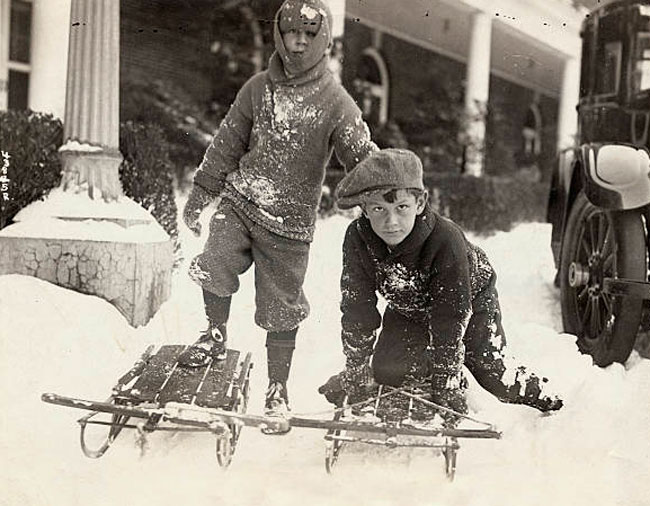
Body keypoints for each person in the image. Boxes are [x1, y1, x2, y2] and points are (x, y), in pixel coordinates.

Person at [179, 0, 377, 427]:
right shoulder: (257, 88)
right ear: (279, 36)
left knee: (281, 306)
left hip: (290, 223)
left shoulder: (335, 101)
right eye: (291, 34)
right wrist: (201, 194)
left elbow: (361, 159)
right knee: (215, 258)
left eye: (308, 35)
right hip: (241, 201)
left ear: (322, 39)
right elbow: (227, 144)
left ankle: (277, 388)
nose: (299, 43)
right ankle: (214, 335)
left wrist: (386, 192)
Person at [318, 148, 563, 426]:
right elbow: (357, 306)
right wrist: (356, 368)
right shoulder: (357, 238)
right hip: (410, 305)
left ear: (420, 203)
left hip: (468, 303)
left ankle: (551, 398)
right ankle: (424, 373)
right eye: (378, 209)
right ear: (363, 208)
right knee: (387, 371)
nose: (391, 222)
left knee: (494, 376)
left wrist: (446, 377)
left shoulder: (445, 240)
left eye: (402, 207)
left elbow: (451, 315)